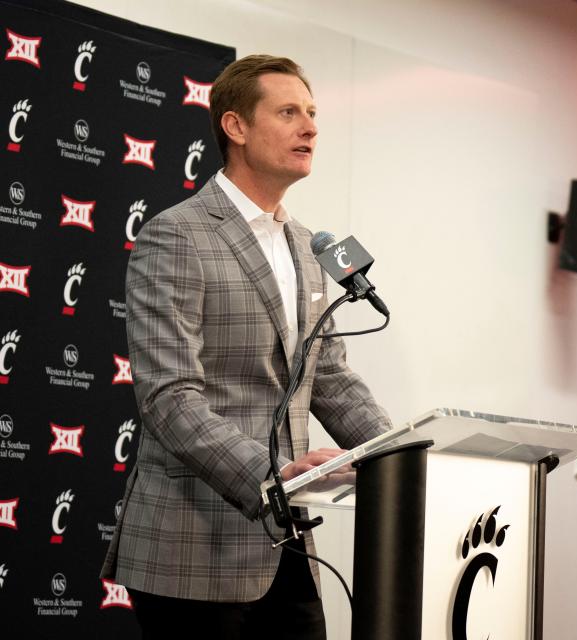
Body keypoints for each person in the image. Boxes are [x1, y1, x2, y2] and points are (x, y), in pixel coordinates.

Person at [100, 54, 392, 639]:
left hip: (287, 545)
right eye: (288, 112)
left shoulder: (312, 245)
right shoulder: (175, 234)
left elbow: (328, 378)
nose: (310, 127)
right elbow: (169, 398)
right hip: (193, 547)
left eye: (311, 113)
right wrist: (275, 475)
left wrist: (404, 457)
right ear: (235, 127)